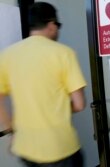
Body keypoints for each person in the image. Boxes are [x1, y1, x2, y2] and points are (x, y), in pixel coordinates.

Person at [0, 2, 87, 167]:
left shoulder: (7, 56)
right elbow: (79, 104)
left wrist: (10, 131)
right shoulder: (64, 54)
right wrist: (58, 106)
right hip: (61, 148)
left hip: (26, 148)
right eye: (58, 25)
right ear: (52, 24)